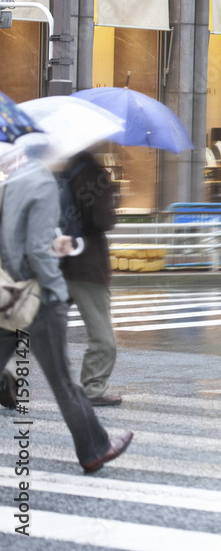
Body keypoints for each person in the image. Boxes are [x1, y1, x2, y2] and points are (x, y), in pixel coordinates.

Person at [0, 138, 132, 473]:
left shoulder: (13, 182)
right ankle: (95, 448)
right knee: (62, 380)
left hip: (9, 289)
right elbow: (39, 246)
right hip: (41, 294)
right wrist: (55, 288)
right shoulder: (46, 183)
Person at [58, 150, 121, 406]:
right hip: (87, 266)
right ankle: (94, 388)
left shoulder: (52, 170)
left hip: (54, 263)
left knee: (39, 330)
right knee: (102, 335)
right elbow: (104, 220)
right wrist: (113, 198)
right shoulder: (94, 173)